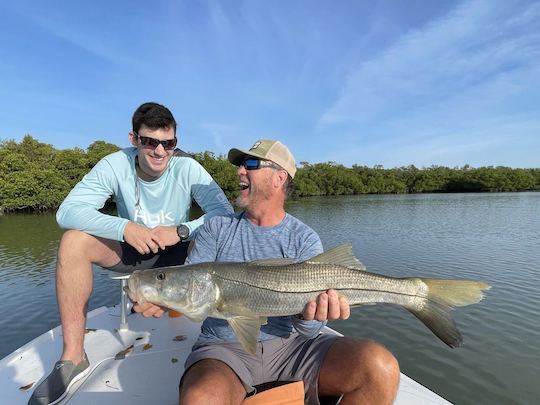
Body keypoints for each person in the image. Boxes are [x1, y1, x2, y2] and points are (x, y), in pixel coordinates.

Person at [29, 102, 233, 405]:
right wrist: (125, 228)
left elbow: (224, 214)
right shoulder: (114, 164)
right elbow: (68, 212)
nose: (160, 152)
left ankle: (226, 339)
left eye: (169, 143)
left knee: (224, 238)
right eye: (150, 142)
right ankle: (73, 357)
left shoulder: (187, 167)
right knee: (73, 241)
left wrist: (181, 231)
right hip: (132, 249)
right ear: (134, 138)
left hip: (181, 252)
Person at [178, 139, 400, 404]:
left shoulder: (304, 238)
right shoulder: (216, 228)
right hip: (223, 349)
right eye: (240, 164)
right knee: (201, 398)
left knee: (380, 368)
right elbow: (190, 288)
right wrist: (157, 294)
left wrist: (312, 317)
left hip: (294, 348)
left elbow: (310, 331)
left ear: (279, 178)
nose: (239, 171)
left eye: (250, 164)